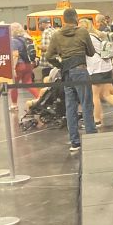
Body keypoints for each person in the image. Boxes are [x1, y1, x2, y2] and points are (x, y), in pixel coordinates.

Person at [44, 8, 97, 151]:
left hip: (66, 73)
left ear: (63, 20)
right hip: (80, 70)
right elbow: (91, 53)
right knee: (86, 104)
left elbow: (48, 56)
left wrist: (60, 65)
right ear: (75, 18)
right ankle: (92, 138)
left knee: (70, 107)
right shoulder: (82, 32)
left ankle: (74, 142)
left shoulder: (56, 35)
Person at [81, 16, 113, 125]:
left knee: (97, 95)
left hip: (97, 69)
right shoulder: (96, 34)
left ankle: (97, 120)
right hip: (106, 66)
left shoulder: (88, 38)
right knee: (109, 92)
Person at [9, 23, 40, 109]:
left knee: (14, 85)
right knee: (28, 83)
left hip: (19, 65)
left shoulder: (14, 41)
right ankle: (39, 98)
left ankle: (14, 105)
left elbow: (15, 55)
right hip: (29, 64)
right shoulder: (27, 39)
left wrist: (13, 68)